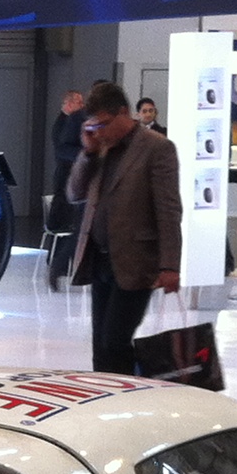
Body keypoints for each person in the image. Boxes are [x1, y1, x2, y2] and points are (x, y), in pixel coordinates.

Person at [65, 81, 182, 375]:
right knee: (100, 345)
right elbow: (74, 193)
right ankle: (107, 391)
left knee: (115, 340)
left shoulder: (157, 148)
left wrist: (170, 265)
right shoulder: (99, 147)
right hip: (100, 259)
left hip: (137, 261)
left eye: (105, 124)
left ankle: (134, 389)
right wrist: (87, 153)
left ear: (123, 113)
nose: (100, 131)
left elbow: (168, 210)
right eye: (95, 125)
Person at [45, 88, 86, 287]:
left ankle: (62, 264)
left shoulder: (69, 122)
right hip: (65, 179)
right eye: (79, 102)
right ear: (69, 104)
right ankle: (58, 263)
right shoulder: (63, 124)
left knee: (71, 223)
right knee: (64, 221)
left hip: (69, 178)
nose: (82, 106)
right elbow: (63, 151)